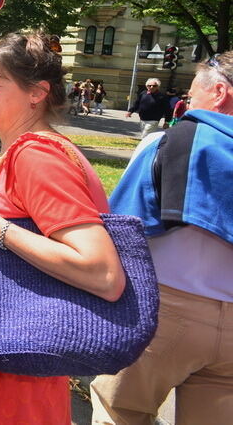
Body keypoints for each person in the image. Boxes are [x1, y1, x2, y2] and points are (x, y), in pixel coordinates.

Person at [0, 32, 126, 425]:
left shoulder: (37, 156)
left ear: (37, 93)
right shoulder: (35, 148)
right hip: (7, 359)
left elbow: (103, 273)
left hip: (6, 380)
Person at [90, 52, 233, 425]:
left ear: (219, 92)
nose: (186, 103)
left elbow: (120, 227)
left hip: (165, 312)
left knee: (119, 413)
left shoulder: (168, 143)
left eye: (191, 93)